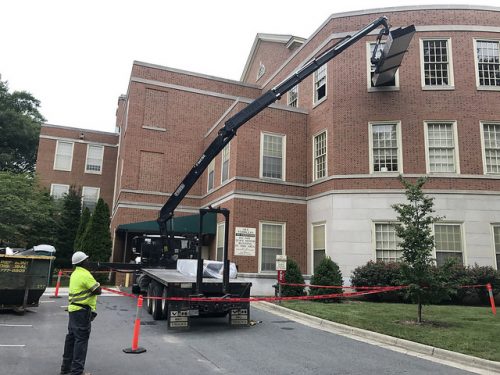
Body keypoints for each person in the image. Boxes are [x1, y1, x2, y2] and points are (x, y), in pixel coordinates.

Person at [60, 251, 101, 375]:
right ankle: (77, 372)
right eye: (87, 260)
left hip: (73, 311)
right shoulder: (84, 274)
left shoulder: (75, 274)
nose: (89, 261)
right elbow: (97, 290)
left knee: (71, 339)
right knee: (81, 341)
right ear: (82, 262)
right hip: (82, 312)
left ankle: (65, 369)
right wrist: (98, 284)